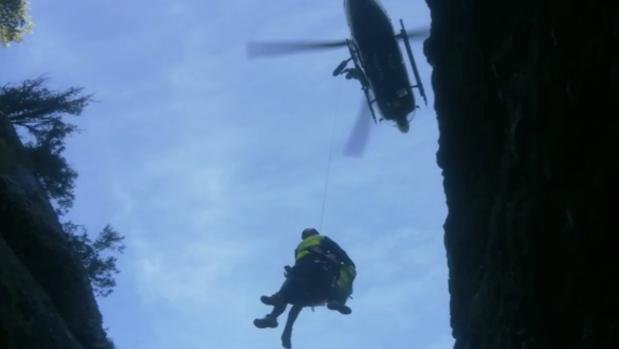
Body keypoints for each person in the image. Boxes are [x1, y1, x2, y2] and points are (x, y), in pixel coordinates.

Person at [254, 228, 356, 329]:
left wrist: (348, 262)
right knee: (290, 285)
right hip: (308, 266)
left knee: (289, 286)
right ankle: (272, 316)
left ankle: (274, 310)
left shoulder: (318, 239)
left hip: (312, 264)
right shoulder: (308, 243)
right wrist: (349, 263)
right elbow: (338, 250)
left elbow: (337, 250)